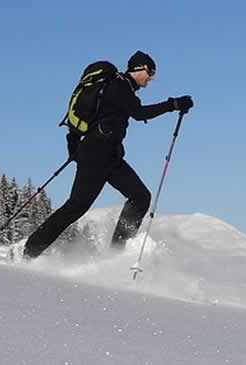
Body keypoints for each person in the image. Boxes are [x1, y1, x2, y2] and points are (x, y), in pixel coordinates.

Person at [12, 51, 193, 262]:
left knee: (141, 197)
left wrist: (74, 145)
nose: (151, 78)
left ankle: (117, 252)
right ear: (138, 68)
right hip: (95, 156)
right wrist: (173, 104)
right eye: (150, 72)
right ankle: (28, 251)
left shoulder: (123, 89)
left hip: (110, 157)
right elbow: (139, 113)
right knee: (76, 207)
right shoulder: (119, 87)